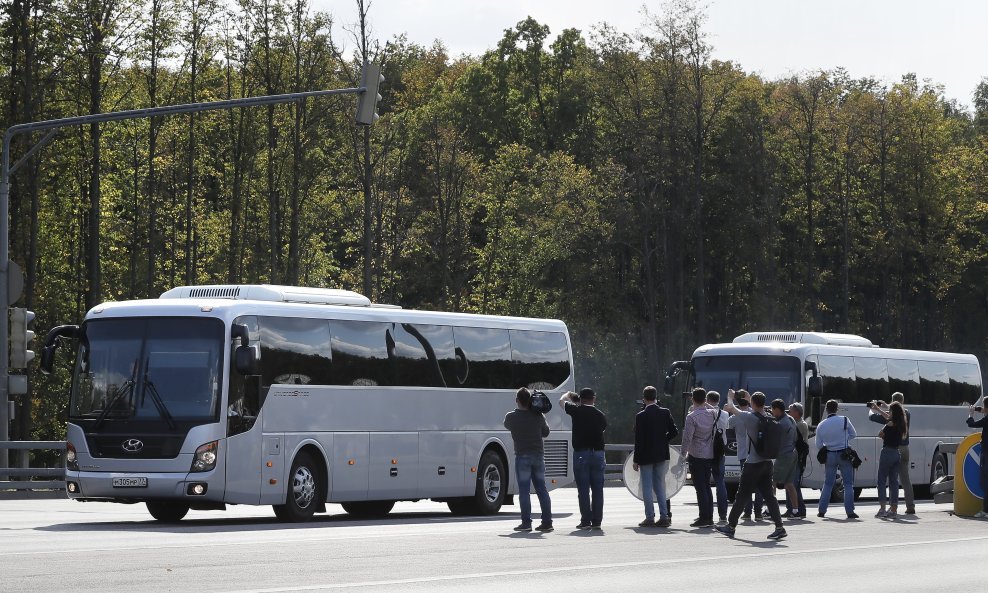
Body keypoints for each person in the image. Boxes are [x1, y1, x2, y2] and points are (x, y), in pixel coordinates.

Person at [715, 390, 787, 540]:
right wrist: (751, 400)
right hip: (767, 463)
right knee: (769, 496)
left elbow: (730, 408)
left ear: (752, 404)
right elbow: (760, 406)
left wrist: (730, 396)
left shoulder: (749, 417)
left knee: (742, 495)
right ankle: (780, 527)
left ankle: (730, 526)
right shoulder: (768, 416)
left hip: (753, 463)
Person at [503, 387, 552, 532]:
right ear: (530, 400)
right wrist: (539, 412)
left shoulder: (511, 417)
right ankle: (547, 522)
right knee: (541, 489)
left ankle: (526, 523)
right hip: (538, 456)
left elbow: (506, 425)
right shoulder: (538, 416)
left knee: (524, 491)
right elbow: (546, 432)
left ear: (517, 400)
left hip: (522, 456)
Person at [559, 388, 607, 530]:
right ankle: (597, 521)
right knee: (598, 489)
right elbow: (602, 429)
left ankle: (586, 520)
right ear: (594, 398)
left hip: (581, 453)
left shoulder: (576, 411)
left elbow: (561, 402)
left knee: (583, 489)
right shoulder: (600, 415)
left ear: (581, 398)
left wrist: (567, 395)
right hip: (598, 453)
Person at [633, 385, 679, 527]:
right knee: (660, 485)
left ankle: (649, 517)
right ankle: (664, 516)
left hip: (646, 455)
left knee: (647, 487)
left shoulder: (641, 416)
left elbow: (639, 440)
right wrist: (663, 440)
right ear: (656, 397)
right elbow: (674, 431)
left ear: (644, 398)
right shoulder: (665, 412)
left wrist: (636, 459)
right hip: (661, 454)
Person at [869, 392, 915, 514]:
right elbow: (896, 411)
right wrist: (886, 406)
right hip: (905, 449)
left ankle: (885, 507)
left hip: (893, 448)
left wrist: (874, 409)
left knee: (886, 479)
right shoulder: (906, 414)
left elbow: (873, 417)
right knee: (905, 480)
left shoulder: (891, 419)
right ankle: (910, 506)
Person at [815, 399, 859, 519]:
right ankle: (850, 512)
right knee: (848, 484)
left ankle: (822, 510)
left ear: (826, 409)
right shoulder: (844, 420)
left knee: (828, 483)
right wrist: (843, 441)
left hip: (829, 455)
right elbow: (853, 434)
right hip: (843, 454)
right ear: (837, 408)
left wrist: (829, 445)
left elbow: (818, 444)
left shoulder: (821, 424)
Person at [681, 387, 717, 528]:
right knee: (707, 485)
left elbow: (687, 438)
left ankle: (704, 517)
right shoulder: (713, 413)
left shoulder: (691, 417)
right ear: (705, 399)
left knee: (699, 487)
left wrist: (683, 454)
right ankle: (709, 516)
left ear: (692, 399)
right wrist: (704, 403)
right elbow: (716, 409)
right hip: (709, 453)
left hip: (696, 454)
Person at [728, 391, 763, 520]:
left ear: (737, 402)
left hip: (743, 454)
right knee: (760, 483)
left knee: (746, 484)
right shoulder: (755, 414)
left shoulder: (735, 418)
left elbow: (728, 424)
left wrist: (730, 399)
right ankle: (758, 512)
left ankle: (747, 512)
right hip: (759, 453)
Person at [874, 401, 908, 519]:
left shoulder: (889, 424)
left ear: (894, 412)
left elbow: (880, 434)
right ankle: (893, 509)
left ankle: (882, 508)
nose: (889, 412)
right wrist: (879, 410)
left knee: (882, 481)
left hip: (887, 452)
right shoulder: (901, 424)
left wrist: (879, 410)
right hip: (896, 453)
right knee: (894, 482)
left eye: (891, 410)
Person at [769, 399, 800, 518]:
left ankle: (770, 510)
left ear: (777, 409)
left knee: (773, 481)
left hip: (783, 455)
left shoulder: (781, 424)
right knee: (788, 483)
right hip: (792, 453)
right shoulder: (791, 419)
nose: (771, 412)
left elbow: (773, 439)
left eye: (772, 410)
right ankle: (795, 511)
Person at [707, 390, 730, 524]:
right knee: (720, 482)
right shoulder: (725, 414)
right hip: (720, 451)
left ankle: (707, 514)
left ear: (708, 399)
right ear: (718, 400)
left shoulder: (706, 413)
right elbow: (725, 428)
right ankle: (723, 515)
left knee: (705, 483)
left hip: (706, 451)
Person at [786, 402, 809, 518]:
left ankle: (799, 509)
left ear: (796, 412)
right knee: (789, 483)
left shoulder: (800, 424)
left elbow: (791, 437)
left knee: (793, 485)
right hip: (792, 457)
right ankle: (791, 508)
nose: (788, 412)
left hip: (796, 458)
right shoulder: (796, 422)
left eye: (790, 410)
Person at [967, 397, 988, 519]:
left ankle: (985, 510)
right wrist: (977, 409)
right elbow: (985, 410)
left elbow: (972, 424)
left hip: (986, 453)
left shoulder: (986, 419)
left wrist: (971, 414)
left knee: (985, 483)